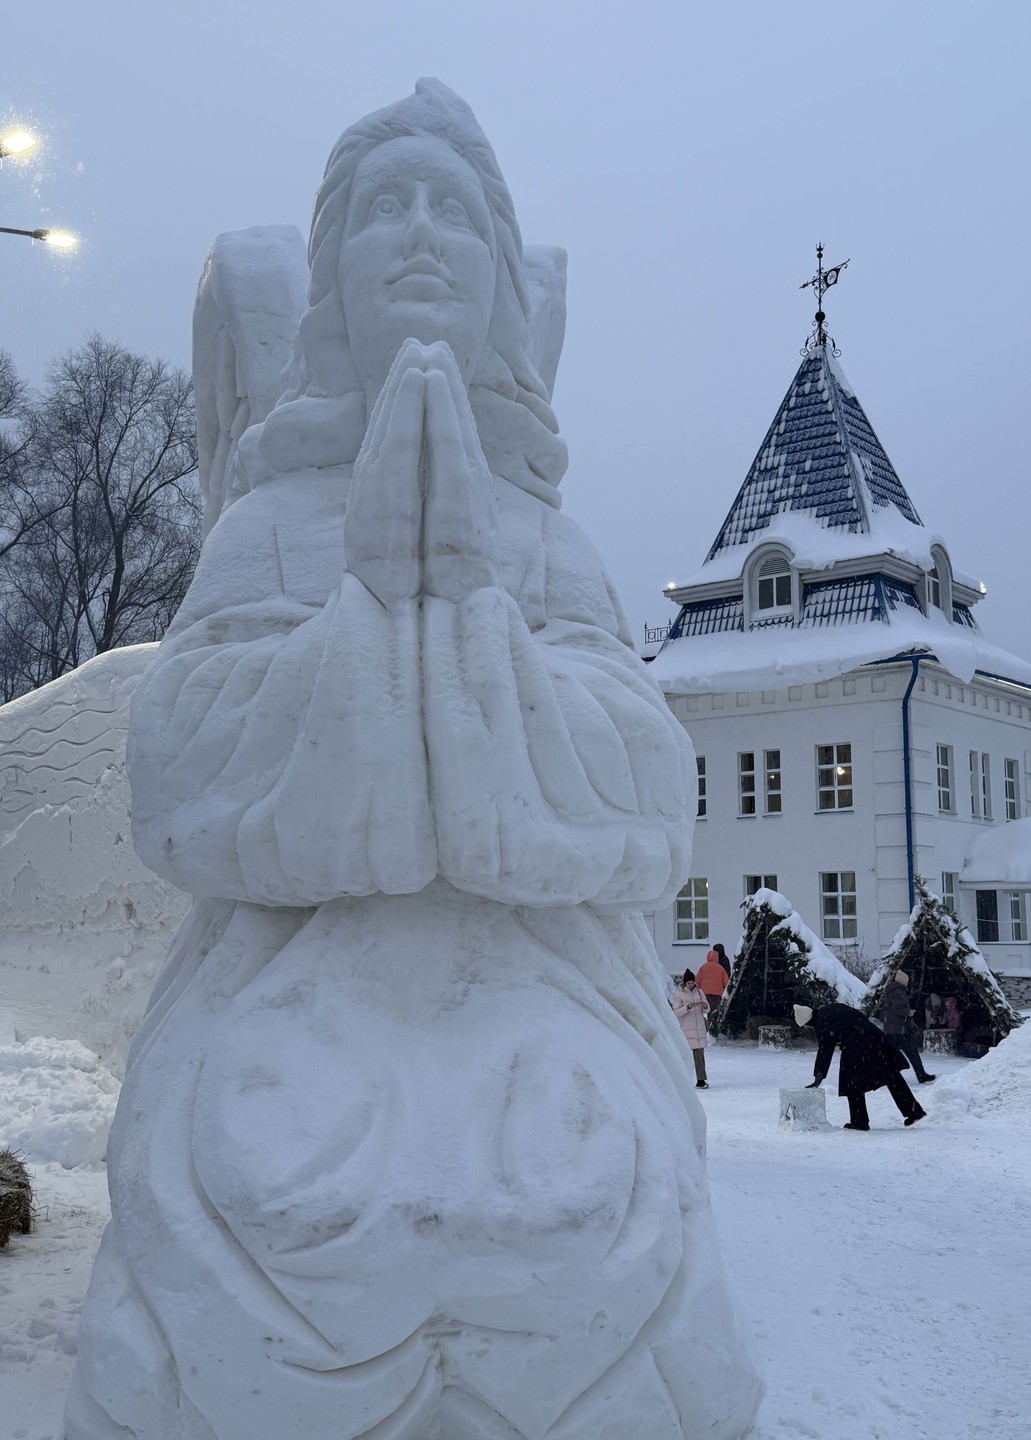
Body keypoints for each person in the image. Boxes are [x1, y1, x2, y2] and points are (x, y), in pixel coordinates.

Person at [66, 81, 764, 1440]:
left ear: (505, 282)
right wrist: (370, 627)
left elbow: (646, 783)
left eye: (456, 208)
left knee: (580, 1188)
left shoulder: (552, 543)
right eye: (385, 208)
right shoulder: (266, 527)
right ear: (329, 286)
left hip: (531, 981)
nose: (423, 233)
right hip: (297, 980)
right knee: (274, 1181)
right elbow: (179, 767)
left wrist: (475, 632)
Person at [794, 1001, 927, 1130]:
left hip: (857, 1043)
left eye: (805, 1026)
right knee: (890, 1074)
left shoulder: (822, 1024)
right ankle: (914, 1111)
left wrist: (819, 1076)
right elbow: (857, 1016)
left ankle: (859, 1121)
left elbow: (825, 1051)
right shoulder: (829, 1009)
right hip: (872, 1036)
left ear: (806, 1022)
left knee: (851, 1082)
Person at [879, 969, 936, 1083]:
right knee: (912, 1052)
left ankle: (884, 1076)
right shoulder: (898, 992)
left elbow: (888, 1010)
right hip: (899, 1029)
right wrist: (908, 1012)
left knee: (890, 1055)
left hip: (891, 1028)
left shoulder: (890, 991)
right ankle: (921, 1075)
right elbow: (898, 1009)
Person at [673, 969, 711, 1087]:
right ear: (685, 983)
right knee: (685, 1056)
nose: (691, 985)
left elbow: (706, 1009)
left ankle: (701, 1080)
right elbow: (676, 1012)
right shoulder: (679, 995)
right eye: (689, 983)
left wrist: (705, 1006)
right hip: (686, 1029)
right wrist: (687, 1007)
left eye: (692, 982)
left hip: (698, 1028)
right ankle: (681, 1079)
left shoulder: (699, 992)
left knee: (699, 1054)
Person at [696, 943, 731, 1019]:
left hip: (705, 993)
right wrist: (725, 992)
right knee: (715, 1011)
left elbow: (697, 981)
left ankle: (706, 1024)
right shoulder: (721, 968)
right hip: (717, 994)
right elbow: (726, 982)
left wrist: (697, 991)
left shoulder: (703, 967)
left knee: (706, 1011)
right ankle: (713, 1025)